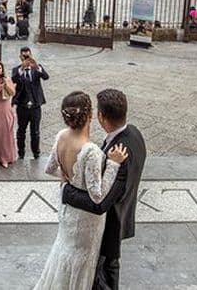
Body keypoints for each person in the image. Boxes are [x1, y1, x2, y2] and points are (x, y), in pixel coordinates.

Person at [35, 91, 128, 290]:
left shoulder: (61, 136)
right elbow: (97, 195)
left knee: (64, 253)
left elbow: (49, 168)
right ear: (90, 115)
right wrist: (113, 164)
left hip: (68, 214)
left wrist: (67, 178)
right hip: (87, 222)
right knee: (81, 262)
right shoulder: (91, 151)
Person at [61, 89, 148, 290]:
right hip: (124, 214)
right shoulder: (134, 133)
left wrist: (66, 192)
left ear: (101, 116)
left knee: (100, 277)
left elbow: (98, 204)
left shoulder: (117, 154)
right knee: (110, 267)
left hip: (109, 224)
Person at [11, 46, 49, 159]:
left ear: (31, 54)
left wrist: (36, 66)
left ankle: (36, 152)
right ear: (20, 56)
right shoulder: (17, 69)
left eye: (28, 55)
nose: (26, 58)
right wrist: (22, 68)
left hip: (35, 106)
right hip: (22, 106)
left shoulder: (36, 68)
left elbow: (46, 77)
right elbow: (13, 79)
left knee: (35, 131)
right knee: (21, 130)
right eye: (24, 56)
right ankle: (21, 152)